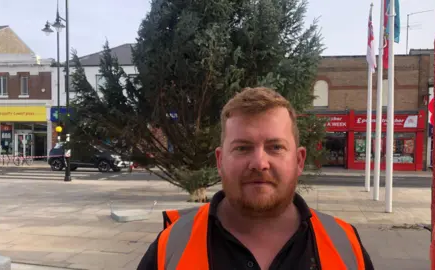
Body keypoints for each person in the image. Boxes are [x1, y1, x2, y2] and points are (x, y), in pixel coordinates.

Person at [138, 87, 374, 270]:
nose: (260, 163)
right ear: (220, 161)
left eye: (275, 147)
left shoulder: (346, 246)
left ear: (299, 161)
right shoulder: (171, 248)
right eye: (242, 148)